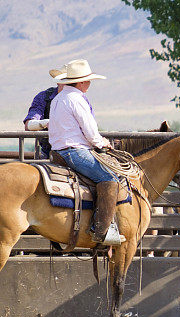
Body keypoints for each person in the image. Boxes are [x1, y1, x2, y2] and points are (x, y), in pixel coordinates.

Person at [48, 59, 125, 246]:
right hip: (74, 152)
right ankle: (101, 231)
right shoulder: (77, 99)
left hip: (58, 151)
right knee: (110, 178)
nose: (90, 83)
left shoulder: (58, 98)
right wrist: (103, 143)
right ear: (81, 82)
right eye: (88, 80)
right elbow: (90, 131)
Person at [23, 66, 68, 158]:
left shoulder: (81, 100)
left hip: (75, 149)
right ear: (58, 81)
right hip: (48, 151)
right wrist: (46, 123)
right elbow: (29, 125)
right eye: (65, 80)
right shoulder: (44, 97)